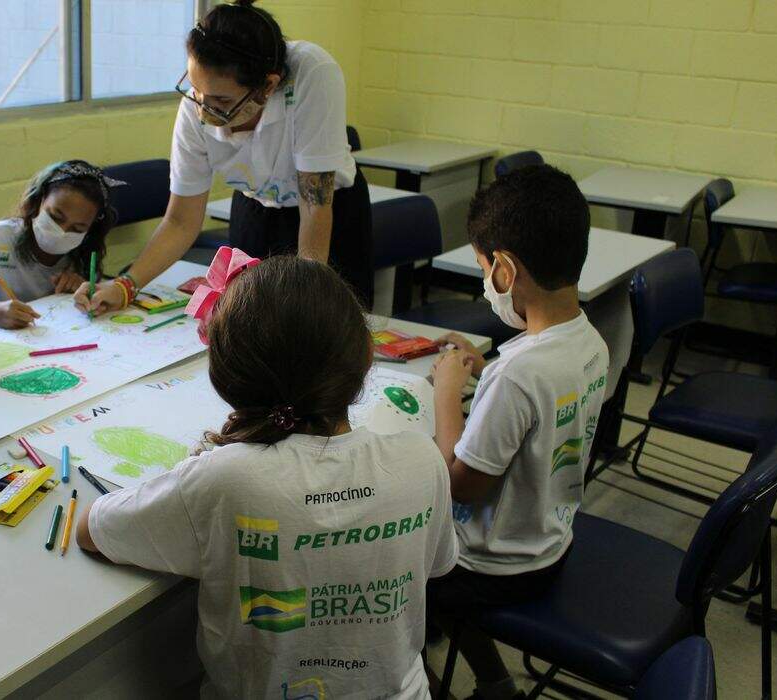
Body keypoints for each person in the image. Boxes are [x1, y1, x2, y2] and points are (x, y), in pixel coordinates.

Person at [77, 253, 457, 699]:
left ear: (225, 375)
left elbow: (91, 529)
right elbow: (437, 564)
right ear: (366, 357)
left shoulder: (226, 477)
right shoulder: (421, 459)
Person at [428, 165, 609, 700]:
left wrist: (446, 392)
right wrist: (483, 373)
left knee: (394, 562)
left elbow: (460, 484)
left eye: (484, 269)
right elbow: (543, 408)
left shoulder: (518, 374)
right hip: (549, 540)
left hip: (490, 565)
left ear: (505, 270)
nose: (486, 282)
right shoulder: (589, 341)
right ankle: (495, 684)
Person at [75, 0, 372, 317]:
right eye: (196, 90)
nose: (203, 111)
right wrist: (125, 285)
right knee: (248, 319)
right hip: (255, 206)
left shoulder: (313, 73)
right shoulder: (195, 109)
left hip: (326, 213)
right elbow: (180, 221)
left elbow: (315, 206)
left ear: (267, 86)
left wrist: (306, 298)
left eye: (221, 100)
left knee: (323, 321)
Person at [0, 160, 121, 328]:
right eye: (55, 217)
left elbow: (90, 300)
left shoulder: (84, 250)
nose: (62, 232)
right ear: (37, 201)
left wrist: (81, 290)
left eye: (78, 228)